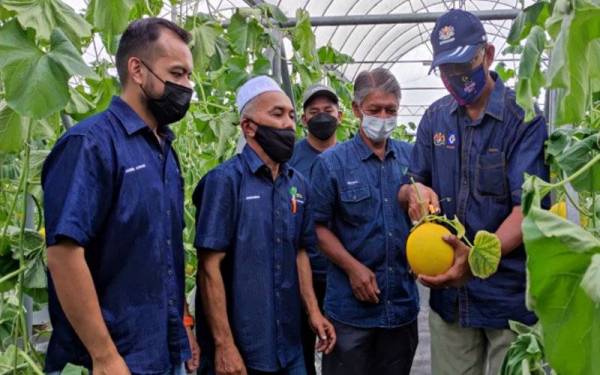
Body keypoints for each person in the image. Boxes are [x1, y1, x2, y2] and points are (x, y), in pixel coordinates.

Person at [42, 18, 200, 375]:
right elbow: (64, 254)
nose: (186, 86)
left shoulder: (164, 150)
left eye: (189, 76)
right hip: (112, 361)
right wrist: (104, 355)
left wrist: (182, 330)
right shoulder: (91, 144)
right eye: (176, 73)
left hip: (162, 353)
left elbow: (162, 254)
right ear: (137, 70)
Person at [397, 9, 549, 375]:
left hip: (509, 301)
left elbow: (528, 208)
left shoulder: (524, 118)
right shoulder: (435, 119)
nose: (457, 76)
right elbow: (411, 183)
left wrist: (477, 258)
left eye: (465, 63)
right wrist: (415, 195)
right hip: (451, 301)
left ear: (488, 54)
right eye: (447, 69)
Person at [193, 76, 336, 375]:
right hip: (244, 347)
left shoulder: (297, 184)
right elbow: (209, 267)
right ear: (248, 127)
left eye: (292, 116)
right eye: (277, 114)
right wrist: (223, 345)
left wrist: (313, 312)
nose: (288, 124)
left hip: (290, 344)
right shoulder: (224, 182)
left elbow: (300, 252)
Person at [311, 68, 419, 375]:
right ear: (357, 109)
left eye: (390, 110)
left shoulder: (412, 158)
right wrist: (352, 267)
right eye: (375, 110)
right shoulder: (331, 163)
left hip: (401, 307)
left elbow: (426, 217)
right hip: (350, 314)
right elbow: (318, 228)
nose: (383, 117)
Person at [288, 84, 341, 375]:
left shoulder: (348, 157)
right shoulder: (290, 158)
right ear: (304, 119)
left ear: (340, 116)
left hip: (340, 276)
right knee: (300, 353)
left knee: (340, 351)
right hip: (298, 273)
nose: (322, 116)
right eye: (314, 112)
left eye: (328, 111)